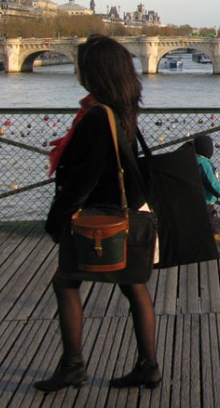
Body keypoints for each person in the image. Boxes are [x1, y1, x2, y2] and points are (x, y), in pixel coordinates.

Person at [34, 35, 162, 392]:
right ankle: (148, 366)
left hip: (101, 216)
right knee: (134, 286)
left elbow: (84, 179)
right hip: (132, 210)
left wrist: (57, 219)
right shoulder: (123, 108)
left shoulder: (95, 116)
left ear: (94, 71)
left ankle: (73, 366)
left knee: (65, 282)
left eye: (79, 64)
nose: (75, 70)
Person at [194, 134, 220, 244]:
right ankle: (214, 236)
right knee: (210, 219)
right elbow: (210, 182)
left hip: (196, 196)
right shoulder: (204, 164)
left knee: (198, 218)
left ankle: (198, 236)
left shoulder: (194, 160)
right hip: (206, 198)